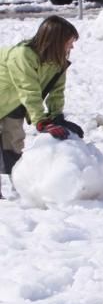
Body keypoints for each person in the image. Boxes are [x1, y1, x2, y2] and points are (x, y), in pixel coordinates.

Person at [0, 16, 84, 185]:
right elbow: (28, 88)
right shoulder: (22, 55)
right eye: (70, 42)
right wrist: (40, 121)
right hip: (6, 96)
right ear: (56, 40)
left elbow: (57, 91)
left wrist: (56, 115)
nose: (72, 46)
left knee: (14, 142)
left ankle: (19, 185)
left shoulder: (58, 61)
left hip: (14, 104)